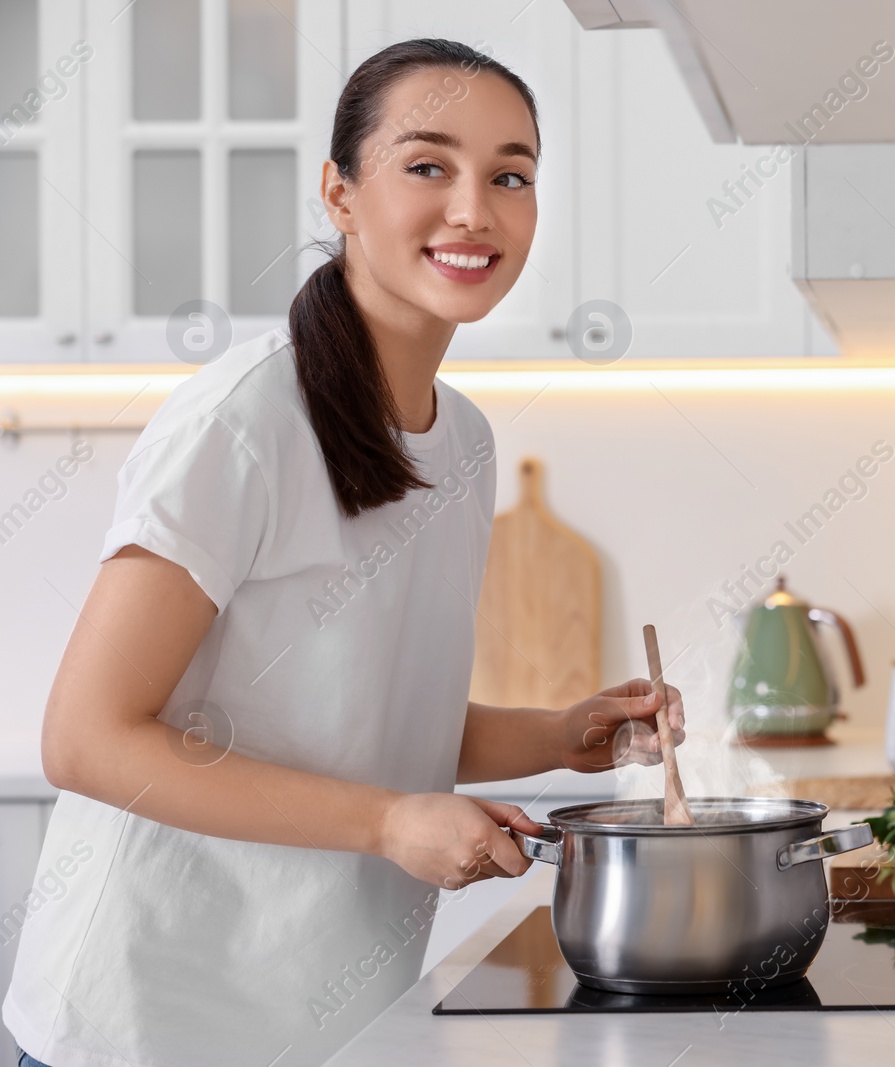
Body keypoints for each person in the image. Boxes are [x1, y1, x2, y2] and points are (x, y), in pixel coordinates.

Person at [1, 39, 684, 1067]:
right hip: (147, 1022)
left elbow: (357, 716)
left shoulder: (464, 439)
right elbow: (88, 739)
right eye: (427, 166)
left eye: (510, 176)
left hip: (329, 1023)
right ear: (340, 193)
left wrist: (557, 732)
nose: (473, 209)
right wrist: (386, 823)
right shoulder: (245, 420)